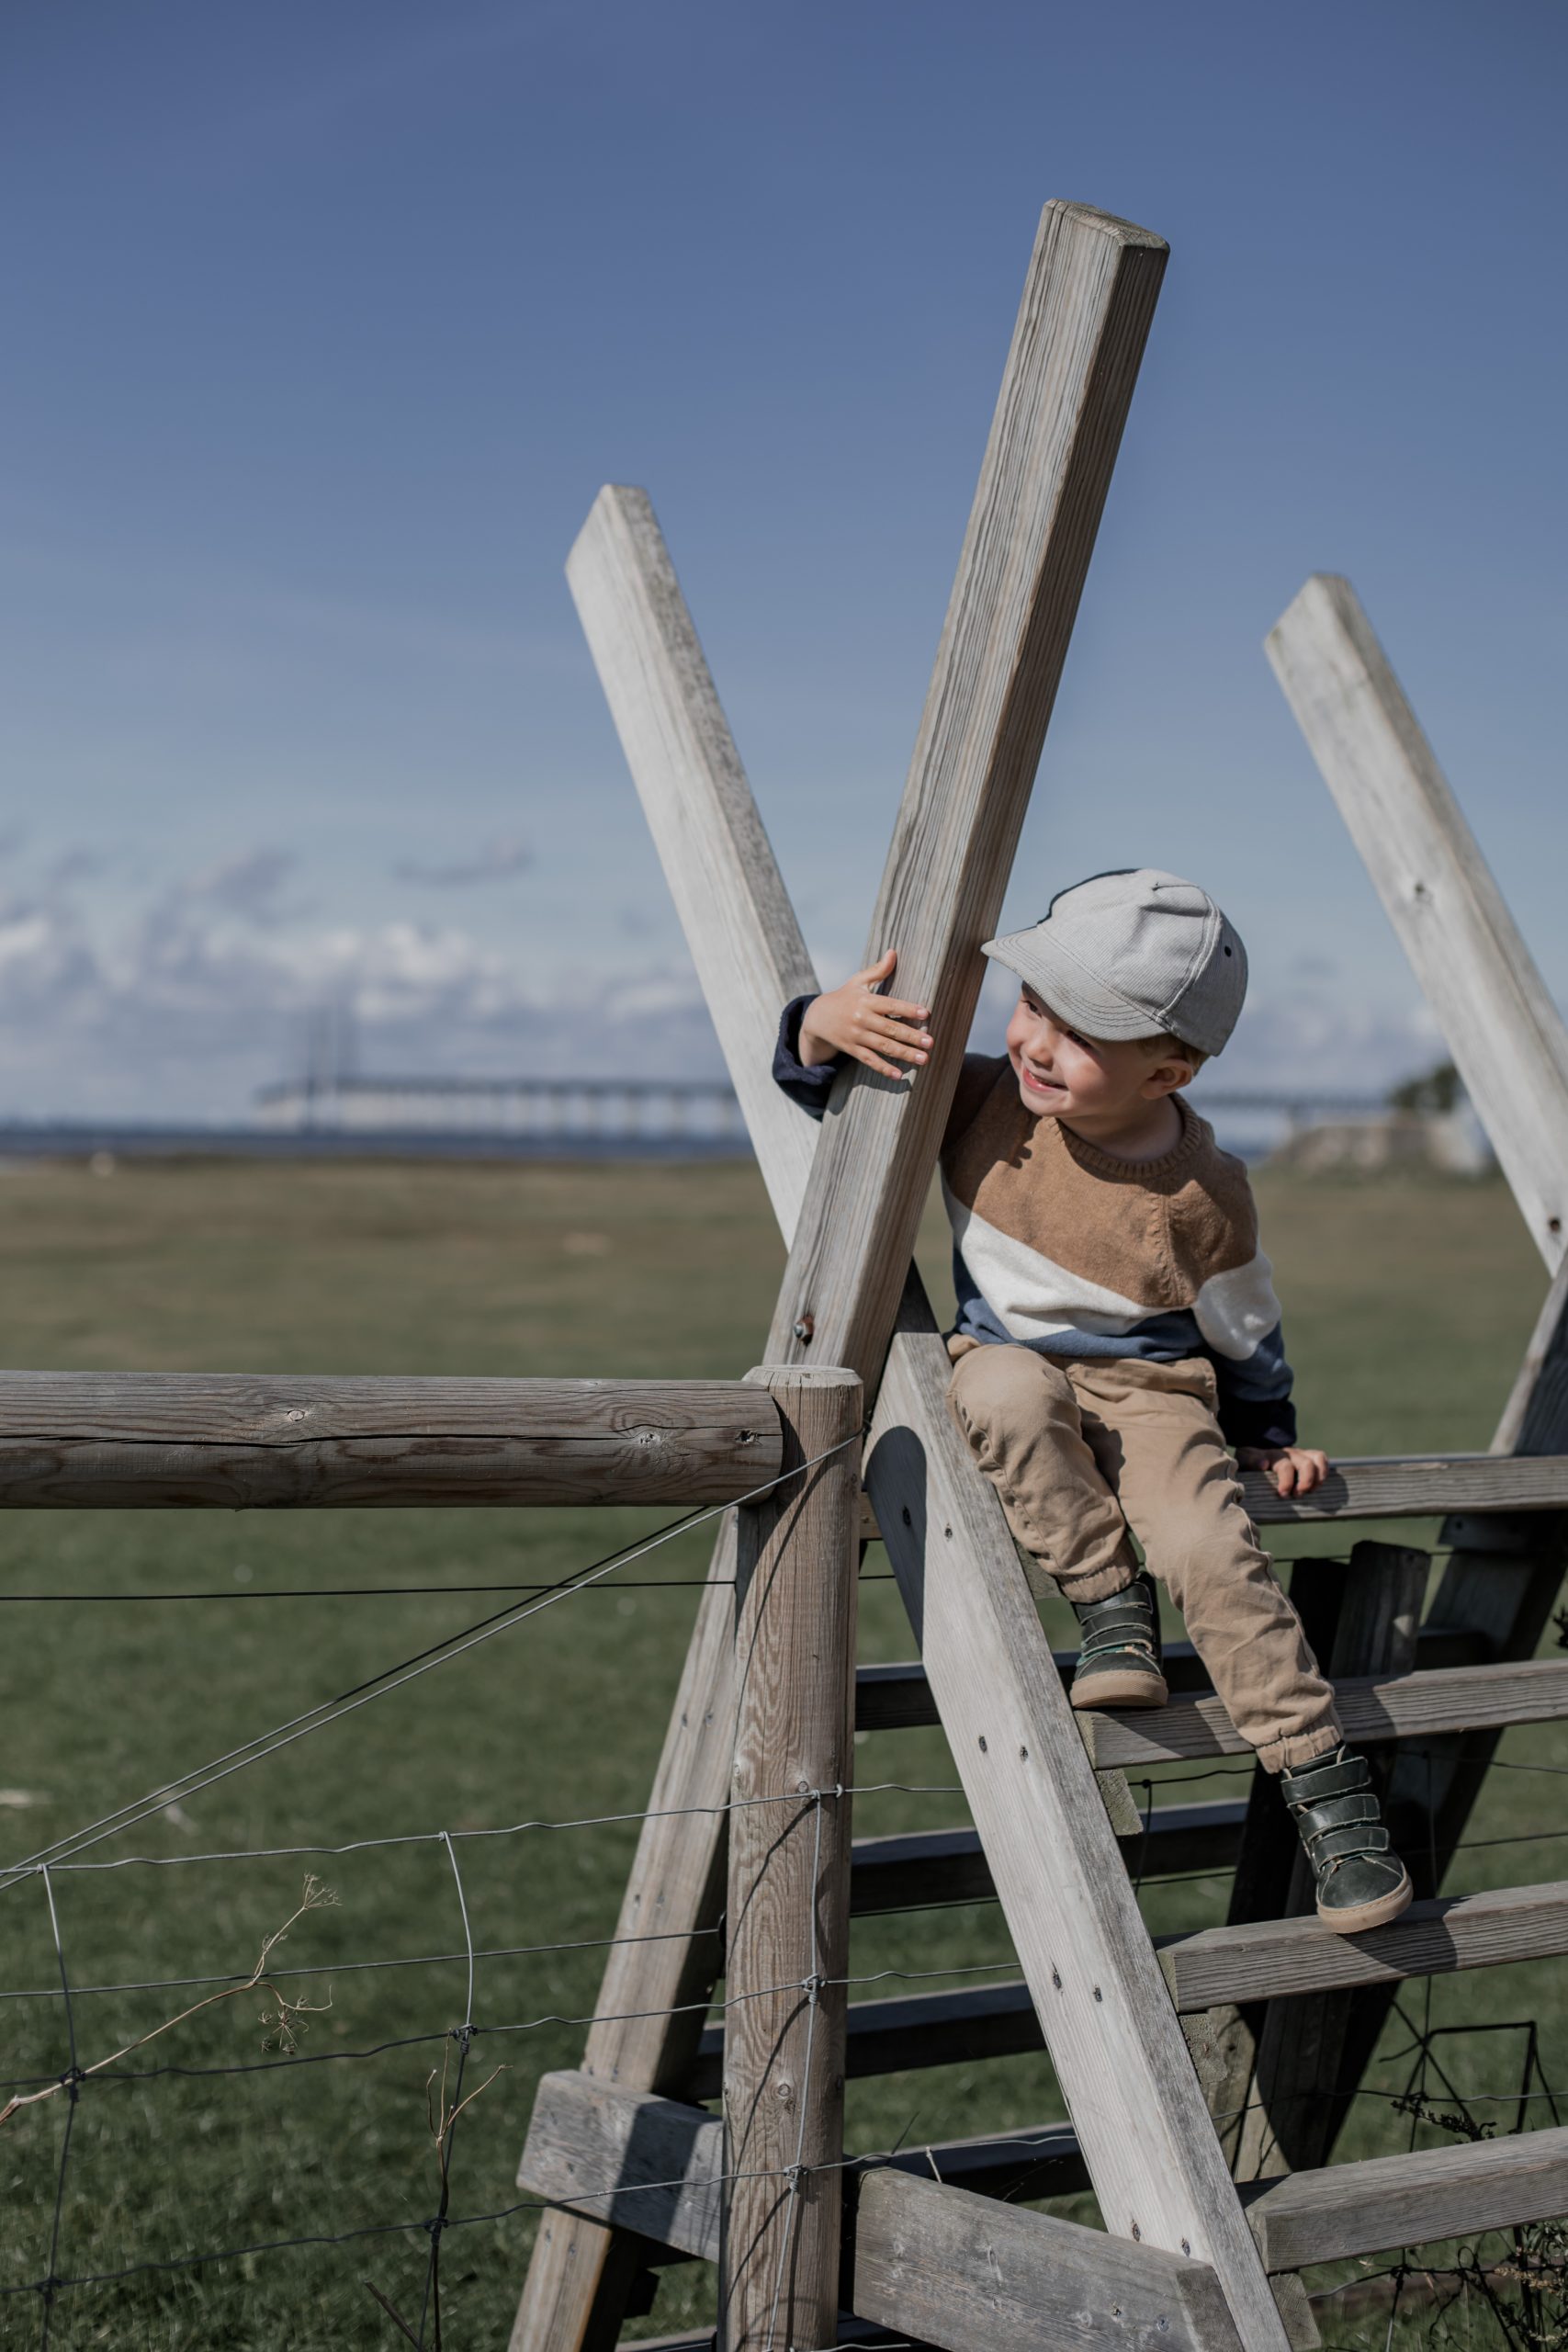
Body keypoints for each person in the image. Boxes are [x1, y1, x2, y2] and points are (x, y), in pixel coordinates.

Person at [773, 868, 1411, 1936]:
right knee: (1010, 1393)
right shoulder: (978, 1096)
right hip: (1007, 1355)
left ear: (1170, 1068)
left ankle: (1324, 1788)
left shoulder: (1209, 1192)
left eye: (1077, 1035)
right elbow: (824, 1099)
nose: (1032, 1041)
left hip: (1159, 1392)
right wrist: (820, 1024)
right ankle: (1111, 1604)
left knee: (1212, 1549)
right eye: (1032, 1006)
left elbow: (1245, 1329)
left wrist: (1267, 1438)